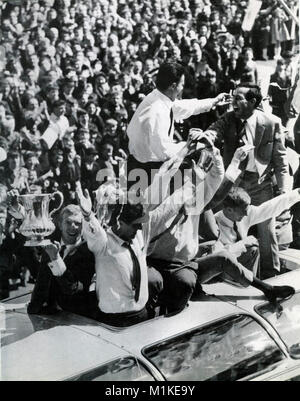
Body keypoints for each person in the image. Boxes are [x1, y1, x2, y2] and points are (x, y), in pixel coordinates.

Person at [204, 83, 289, 279]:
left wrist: (284, 191)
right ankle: (221, 271)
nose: (233, 102)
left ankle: (272, 277)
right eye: (232, 97)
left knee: (267, 232)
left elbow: (281, 161)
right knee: (221, 229)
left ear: (253, 102)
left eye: (238, 98)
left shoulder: (271, 122)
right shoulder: (228, 119)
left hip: (260, 185)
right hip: (233, 186)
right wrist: (206, 136)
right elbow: (214, 131)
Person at [126, 61, 228, 180]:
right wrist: (190, 146)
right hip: (145, 171)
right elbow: (164, 153)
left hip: (148, 163)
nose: (182, 88)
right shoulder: (156, 111)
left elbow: (181, 107)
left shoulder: (158, 97)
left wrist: (213, 101)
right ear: (173, 86)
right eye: (182, 85)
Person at [6, 196, 96, 317]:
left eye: (78, 223)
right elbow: (33, 226)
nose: (73, 226)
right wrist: (17, 208)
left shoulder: (89, 251)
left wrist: (56, 259)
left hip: (71, 317)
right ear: (59, 224)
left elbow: (73, 288)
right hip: (40, 312)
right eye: (68, 222)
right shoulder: (49, 240)